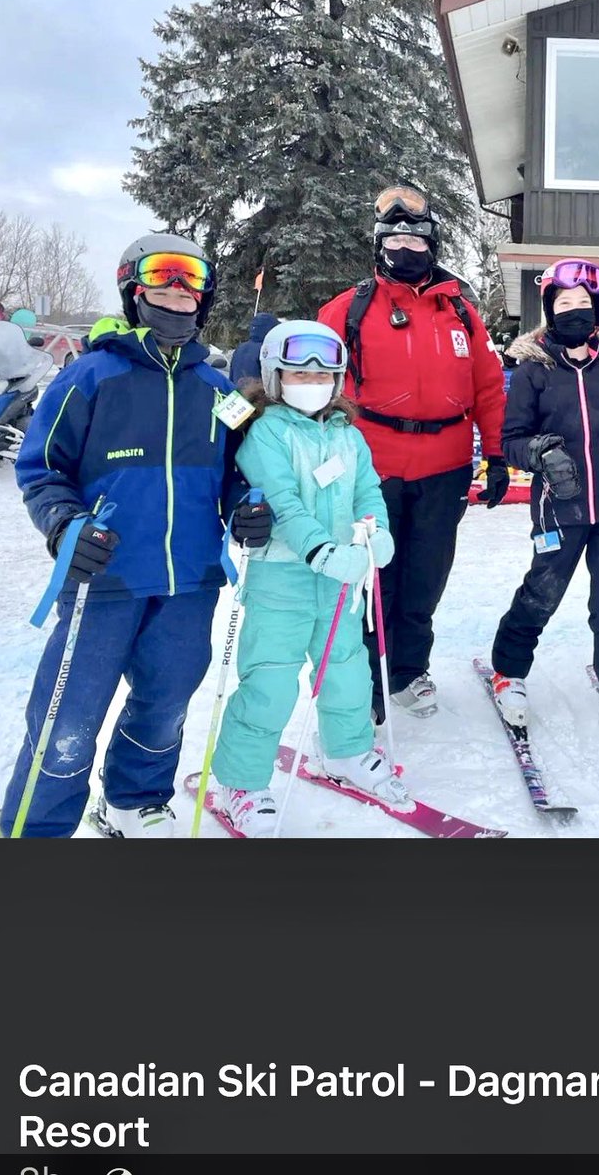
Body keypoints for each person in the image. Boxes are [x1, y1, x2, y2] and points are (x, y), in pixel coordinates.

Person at [0, 233, 273, 838]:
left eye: (191, 281)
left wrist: (246, 507)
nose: (178, 290)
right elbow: (42, 469)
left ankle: (134, 800)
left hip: (190, 581)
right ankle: (36, 828)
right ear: (133, 286)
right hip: (105, 578)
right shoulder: (92, 376)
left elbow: (239, 471)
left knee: (166, 702)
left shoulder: (218, 389)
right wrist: (66, 525)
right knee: (67, 717)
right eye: (163, 276)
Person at [318, 183, 508, 721]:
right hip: (371, 468)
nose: (407, 248)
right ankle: (366, 677)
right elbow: (317, 388)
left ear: (433, 244)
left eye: (417, 238)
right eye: (395, 238)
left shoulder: (461, 312)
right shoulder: (347, 310)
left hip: (445, 467)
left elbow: (489, 387)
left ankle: (408, 670)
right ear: (380, 243)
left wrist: (495, 456)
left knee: (425, 575)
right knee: (376, 575)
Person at [208, 320, 400, 836]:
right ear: (274, 376)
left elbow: (367, 490)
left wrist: (377, 532)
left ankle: (347, 752)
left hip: (342, 579)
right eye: (297, 371)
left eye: (323, 373)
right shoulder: (263, 432)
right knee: (269, 681)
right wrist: (320, 549)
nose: (310, 381)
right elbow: (283, 501)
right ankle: (241, 782)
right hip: (282, 578)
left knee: (347, 671)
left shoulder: (349, 435)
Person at [489, 260, 599, 743]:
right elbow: (512, 439)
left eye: (584, 305)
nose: (575, 313)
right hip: (557, 505)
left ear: (597, 310)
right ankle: (509, 670)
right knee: (542, 592)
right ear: (549, 312)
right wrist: (541, 453)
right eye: (565, 304)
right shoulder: (533, 371)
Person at [229, 311, 280, 388]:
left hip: (238, 395)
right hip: (257, 396)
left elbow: (232, 376)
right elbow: (271, 380)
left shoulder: (240, 348)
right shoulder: (266, 350)